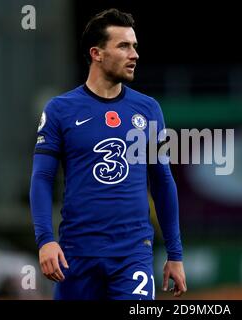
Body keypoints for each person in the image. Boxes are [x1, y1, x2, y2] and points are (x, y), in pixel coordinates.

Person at [29, 8, 186, 300]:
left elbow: (163, 181)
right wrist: (45, 241)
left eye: (135, 46)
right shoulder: (60, 110)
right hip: (76, 254)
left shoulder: (149, 109)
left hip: (132, 255)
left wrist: (175, 253)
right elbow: (41, 178)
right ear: (97, 53)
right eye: (123, 46)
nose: (134, 54)